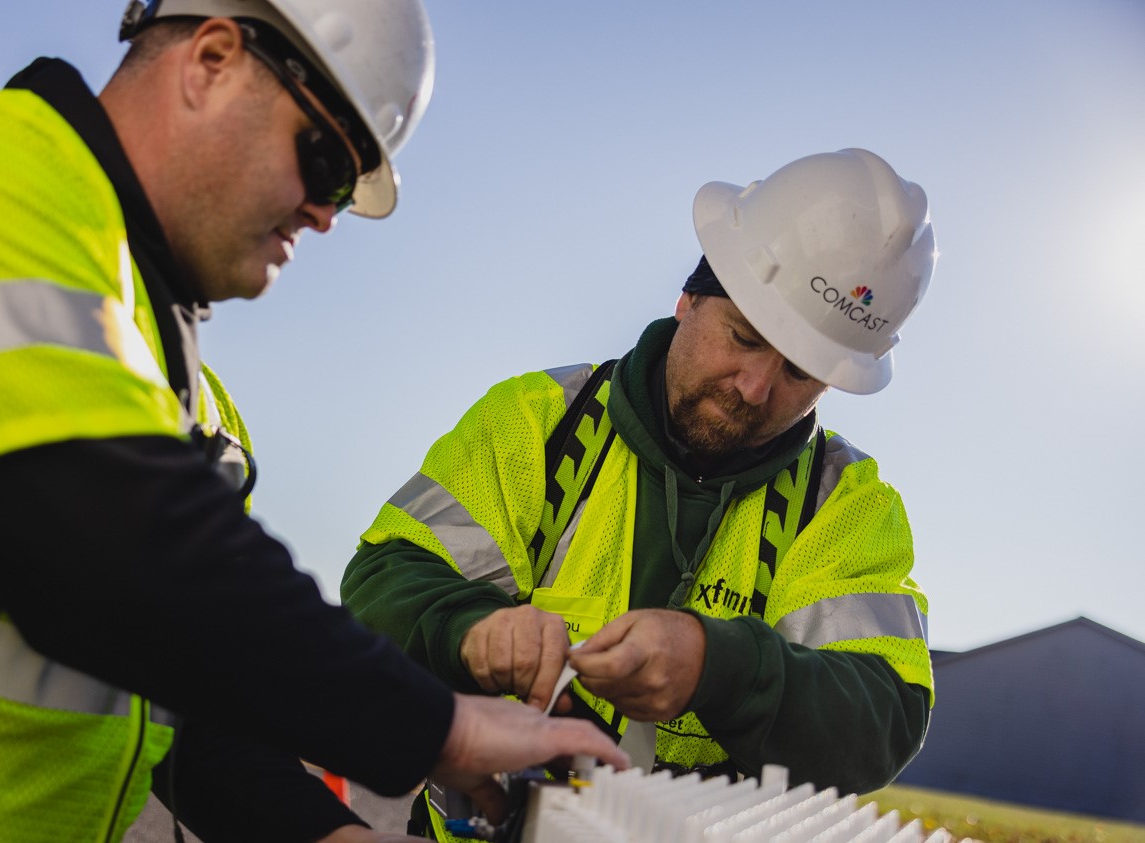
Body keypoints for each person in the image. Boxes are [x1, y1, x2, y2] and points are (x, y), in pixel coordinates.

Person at [0, 1, 629, 841]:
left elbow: (177, 699)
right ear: (210, 59)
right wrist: (439, 729)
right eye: (326, 158)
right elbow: (114, 554)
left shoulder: (161, 378)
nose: (326, 214)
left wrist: (323, 831)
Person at [342, 148, 938, 839]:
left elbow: (882, 719)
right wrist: (471, 629)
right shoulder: (537, 423)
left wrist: (721, 667)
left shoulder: (845, 506)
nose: (754, 387)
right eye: (742, 337)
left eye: (800, 375)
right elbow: (381, 584)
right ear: (688, 298)